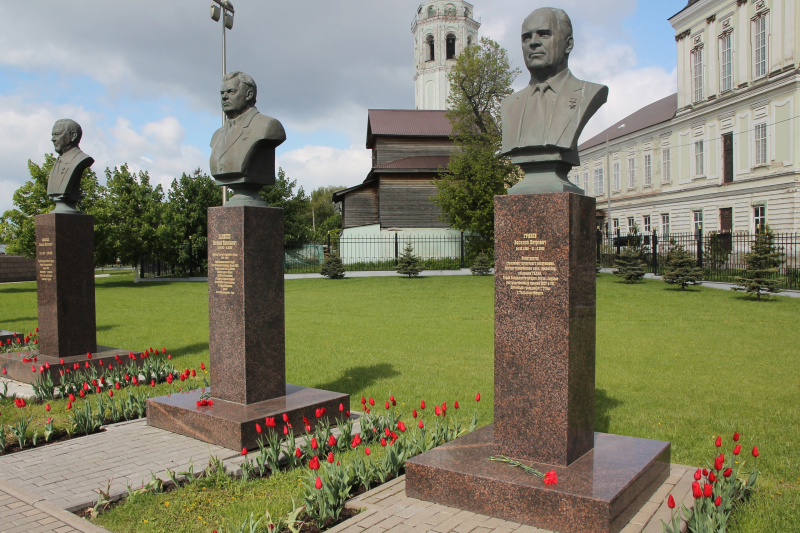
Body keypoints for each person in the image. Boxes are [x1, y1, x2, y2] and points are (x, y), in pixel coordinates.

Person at [501, 8, 608, 167]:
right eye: (526, 37)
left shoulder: (588, 93)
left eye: (544, 34)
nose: (533, 42)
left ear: (568, 44)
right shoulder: (509, 105)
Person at [209, 71, 286, 205]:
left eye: (231, 91)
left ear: (249, 94)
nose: (225, 97)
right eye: (222, 93)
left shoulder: (268, 126)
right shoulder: (217, 136)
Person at [47, 119, 94, 212]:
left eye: (57, 134)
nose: (53, 139)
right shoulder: (58, 161)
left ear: (73, 135)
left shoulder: (80, 159)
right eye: (52, 135)